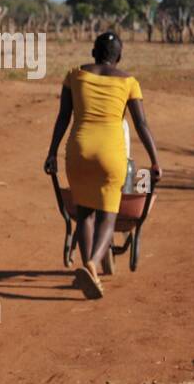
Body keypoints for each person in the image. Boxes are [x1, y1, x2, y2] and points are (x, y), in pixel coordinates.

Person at [44, 31, 161, 298]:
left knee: (85, 214)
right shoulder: (129, 82)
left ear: (93, 52)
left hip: (79, 150)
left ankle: (90, 273)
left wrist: (51, 153)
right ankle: (92, 264)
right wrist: (155, 161)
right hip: (111, 154)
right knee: (108, 215)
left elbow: (63, 118)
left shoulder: (74, 75)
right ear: (118, 57)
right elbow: (141, 124)